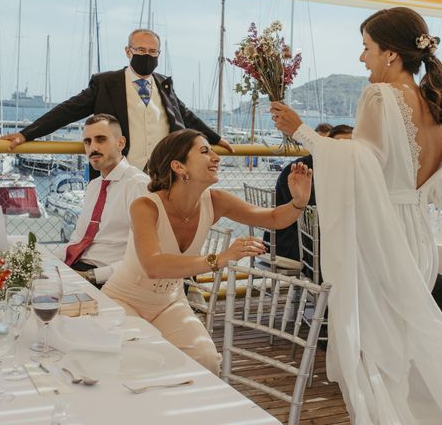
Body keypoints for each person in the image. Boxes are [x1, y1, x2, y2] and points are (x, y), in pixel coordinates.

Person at [271, 7, 442, 423]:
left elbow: (362, 164)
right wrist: (417, 193)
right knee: (403, 343)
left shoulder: (379, 96)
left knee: (377, 346)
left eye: (366, 48)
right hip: (418, 234)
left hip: (383, 232)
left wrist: (301, 131)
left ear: (391, 54)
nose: (362, 58)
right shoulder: (441, 101)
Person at [102, 129, 312, 374]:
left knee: (207, 360)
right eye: (205, 151)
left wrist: (298, 202)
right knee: (138, 361)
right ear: (179, 167)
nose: (216, 157)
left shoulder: (215, 201)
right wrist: (221, 258)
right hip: (123, 301)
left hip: (169, 303)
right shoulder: (145, 206)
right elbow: (154, 265)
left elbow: (274, 218)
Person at [0, 29, 233, 174]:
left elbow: (187, 116)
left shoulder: (163, 84)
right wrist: (26, 134)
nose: (147, 55)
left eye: (153, 52)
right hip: (120, 172)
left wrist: (216, 138)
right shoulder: (106, 83)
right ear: (127, 51)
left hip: (161, 174)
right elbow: (68, 110)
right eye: (141, 49)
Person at [63, 114, 149, 287]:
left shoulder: (138, 185)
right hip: (79, 268)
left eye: (100, 139)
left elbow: (142, 256)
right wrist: (43, 258)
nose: (92, 147)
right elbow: (77, 239)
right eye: (87, 142)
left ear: (120, 143)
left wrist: (91, 276)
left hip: (110, 278)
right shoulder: (94, 185)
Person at [270, 124, 353, 264]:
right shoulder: (300, 170)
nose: (345, 152)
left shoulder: (345, 172)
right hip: (297, 241)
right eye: (340, 146)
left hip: (317, 238)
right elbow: (312, 215)